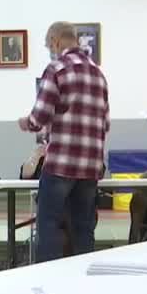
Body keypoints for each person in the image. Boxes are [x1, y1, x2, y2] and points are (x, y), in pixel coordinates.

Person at [17, 21, 109, 263]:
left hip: (61, 164)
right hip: (91, 166)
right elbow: (106, 123)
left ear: (56, 41)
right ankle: (83, 277)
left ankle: (49, 278)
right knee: (84, 228)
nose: (50, 49)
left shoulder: (56, 69)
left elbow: (40, 117)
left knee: (49, 226)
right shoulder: (98, 74)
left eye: (48, 44)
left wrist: (26, 122)